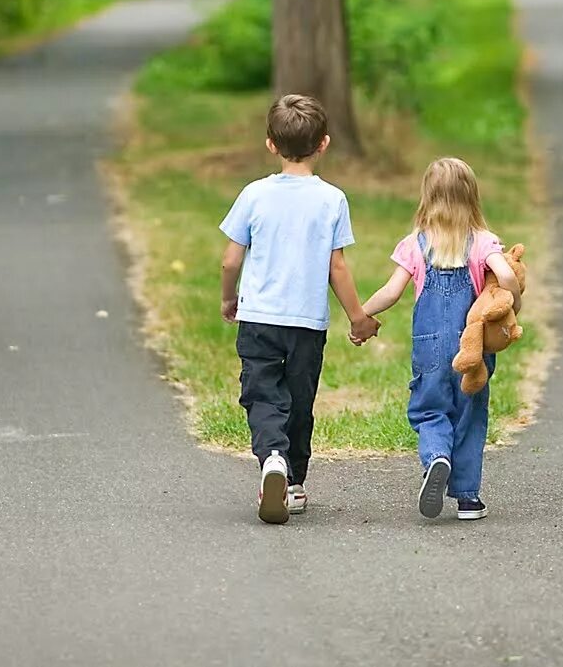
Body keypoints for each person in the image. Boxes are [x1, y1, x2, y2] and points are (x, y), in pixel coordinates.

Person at [219, 94, 380, 525]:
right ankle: (293, 482)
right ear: (324, 144)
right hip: (307, 323)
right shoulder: (332, 199)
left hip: (259, 320)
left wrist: (227, 297)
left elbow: (230, 259)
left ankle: (272, 458)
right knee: (299, 399)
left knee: (262, 395)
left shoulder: (254, 194)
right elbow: (337, 267)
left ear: (270, 144)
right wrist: (358, 317)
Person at [361, 157, 522, 520]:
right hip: (473, 347)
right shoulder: (482, 242)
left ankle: (437, 457)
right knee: (470, 413)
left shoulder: (415, 245)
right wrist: (510, 295)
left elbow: (391, 291)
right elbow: (506, 277)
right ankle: (468, 499)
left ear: (426, 199)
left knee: (430, 408)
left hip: (430, 345)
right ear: (472, 198)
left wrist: (363, 315)